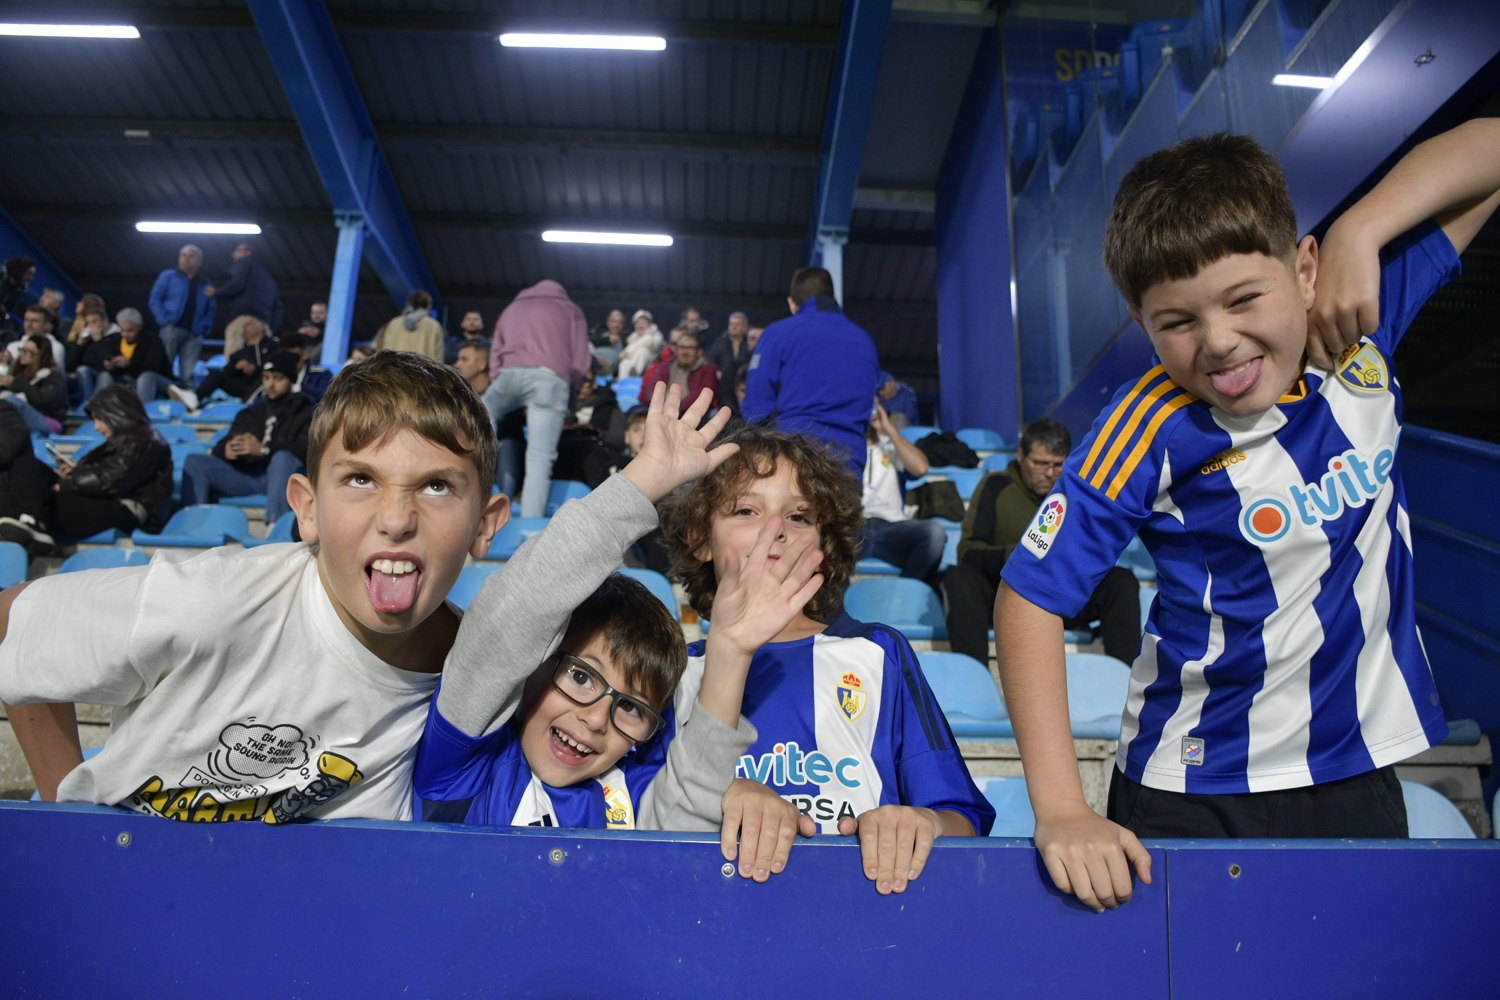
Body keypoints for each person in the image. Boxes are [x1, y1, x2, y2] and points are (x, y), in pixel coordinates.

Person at [997, 124, 1500, 913]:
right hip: (1191, 791)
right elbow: (1029, 597)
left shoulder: (1355, 325)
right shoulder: (1144, 430)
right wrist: (1062, 810)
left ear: (1304, 269)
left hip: (1355, 772)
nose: (1219, 341)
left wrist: (1361, 229)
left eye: (1243, 299)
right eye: (1177, 322)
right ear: (1142, 325)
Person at [0, 351, 510, 818]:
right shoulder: (212, 604)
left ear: (484, 526)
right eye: (360, 479)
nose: (397, 519)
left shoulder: (476, 675)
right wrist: (65, 815)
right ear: (307, 509)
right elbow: (15, 619)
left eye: (437, 486)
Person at [654, 427, 994, 893]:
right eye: (747, 510)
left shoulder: (879, 654)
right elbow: (638, 810)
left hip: (866, 914)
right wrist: (725, 792)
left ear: (823, 544)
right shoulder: (672, 671)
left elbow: (963, 819)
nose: (775, 531)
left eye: (798, 516)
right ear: (700, 540)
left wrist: (921, 824)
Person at [944, 418, 1139, 665]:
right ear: (1021, 455)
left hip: (1062, 594)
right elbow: (968, 551)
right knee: (960, 578)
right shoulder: (996, 486)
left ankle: (1124, 679)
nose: (1049, 473)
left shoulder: (1078, 493)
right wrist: (1022, 557)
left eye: (1058, 465)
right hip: (1005, 596)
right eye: (1040, 464)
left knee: (1121, 582)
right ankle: (974, 679)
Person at [0, 386, 172, 553]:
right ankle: (29, 522)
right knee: (25, 465)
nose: (96, 427)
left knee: (38, 497)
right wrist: (76, 472)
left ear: (116, 414)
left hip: (124, 507)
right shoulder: (128, 440)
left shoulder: (145, 441)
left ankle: (31, 522)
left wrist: (68, 484)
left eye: (99, 419)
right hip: (99, 498)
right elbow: (106, 474)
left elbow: (112, 480)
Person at [743, 267, 881, 473]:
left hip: (794, 462)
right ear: (834, 298)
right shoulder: (865, 341)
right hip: (848, 468)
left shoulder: (778, 334)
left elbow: (756, 407)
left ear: (792, 303)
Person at [484, 279, 592, 519]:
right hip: (550, 379)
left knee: (484, 411)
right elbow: (580, 361)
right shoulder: (570, 309)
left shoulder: (512, 308)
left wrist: (496, 378)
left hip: (509, 374)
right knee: (540, 458)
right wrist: (570, 401)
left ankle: (479, 464)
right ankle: (530, 524)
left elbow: (495, 351)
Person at [180, 353, 313, 523]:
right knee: (195, 461)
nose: (270, 384)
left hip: (284, 477)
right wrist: (227, 450)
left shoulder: (305, 412)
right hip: (248, 476)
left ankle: (275, 525)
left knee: (282, 458)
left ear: (291, 381)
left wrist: (264, 451)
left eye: (278, 378)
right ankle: (191, 522)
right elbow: (222, 445)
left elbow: (305, 450)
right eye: (266, 378)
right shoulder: (251, 412)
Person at [860, 402, 945, 584]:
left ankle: (904, 596)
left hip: (893, 528)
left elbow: (921, 468)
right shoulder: (843, 445)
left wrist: (889, 429)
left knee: (934, 534)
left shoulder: (891, 445)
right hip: (854, 527)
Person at [147, 244, 216, 387]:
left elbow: (211, 309)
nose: (186, 259)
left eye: (191, 256)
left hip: (194, 334)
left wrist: (204, 329)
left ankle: (185, 405)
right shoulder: (168, 276)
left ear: (199, 261)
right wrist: (164, 321)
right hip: (171, 328)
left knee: (187, 375)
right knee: (163, 367)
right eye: (183, 255)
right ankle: (159, 403)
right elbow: (155, 299)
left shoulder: (205, 283)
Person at [184, 316, 278, 407]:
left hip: (264, 386)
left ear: (261, 328)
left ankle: (248, 405)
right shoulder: (241, 353)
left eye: (249, 323)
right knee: (216, 374)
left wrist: (255, 369)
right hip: (245, 387)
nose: (244, 326)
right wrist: (235, 367)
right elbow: (226, 372)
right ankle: (193, 399)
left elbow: (276, 364)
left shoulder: (272, 345)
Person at [213, 243, 282, 359]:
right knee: (260, 361)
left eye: (238, 251)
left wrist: (216, 292)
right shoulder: (270, 279)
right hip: (264, 325)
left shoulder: (244, 263)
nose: (233, 255)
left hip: (242, 319)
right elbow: (279, 307)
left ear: (248, 252)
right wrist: (269, 327)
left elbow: (236, 286)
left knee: (234, 359)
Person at [93, 308, 174, 402]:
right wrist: (110, 364)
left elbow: (154, 366)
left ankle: (141, 411)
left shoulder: (152, 340)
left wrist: (130, 364)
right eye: (122, 330)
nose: (125, 334)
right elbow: (104, 355)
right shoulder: (116, 340)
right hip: (130, 380)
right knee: (105, 375)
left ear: (140, 327)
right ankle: (96, 407)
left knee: (146, 376)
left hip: (156, 380)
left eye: (130, 331)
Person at [0, 336, 68, 435]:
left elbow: (42, 399)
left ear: (42, 355)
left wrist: (15, 383)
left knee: (12, 401)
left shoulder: (53, 376)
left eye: (30, 352)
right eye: (23, 350)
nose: (24, 355)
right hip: (24, 418)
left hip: (48, 420)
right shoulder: (19, 373)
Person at [643, 330, 718, 418]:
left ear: (699, 352)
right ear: (676, 350)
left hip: (691, 413)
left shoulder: (707, 369)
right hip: (661, 410)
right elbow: (648, 390)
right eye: (682, 347)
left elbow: (703, 393)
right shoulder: (665, 366)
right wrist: (659, 404)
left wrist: (676, 407)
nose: (685, 352)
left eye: (690, 348)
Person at [374, 290, 445, 362]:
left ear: (408, 304)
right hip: (422, 371)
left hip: (396, 370)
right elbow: (438, 357)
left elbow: (385, 352)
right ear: (428, 306)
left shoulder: (394, 323)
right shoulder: (434, 326)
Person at [67, 306, 115, 403]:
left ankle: (93, 404)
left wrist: (99, 341)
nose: (91, 326)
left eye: (94, 322)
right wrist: (79, 344)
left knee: (104, 375)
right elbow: (69, 366)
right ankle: (85, 404)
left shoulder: (115, 337)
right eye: (88, 323)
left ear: (105, 322)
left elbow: (107, 362)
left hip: (107, 375)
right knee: (82, 369)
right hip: (87, 376)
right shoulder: (87, 341)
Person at [708, 311, 752, 408]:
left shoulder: (750, 343)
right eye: (731, 324)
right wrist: (716, 371)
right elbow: (710, 360)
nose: (733, 326)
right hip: (724, 384)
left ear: (745, 327)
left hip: (745, 383)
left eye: (737, 324)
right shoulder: (720, 342)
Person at [277, 332, 332, 405]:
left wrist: (302, 388)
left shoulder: (321, 374)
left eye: (293, 356)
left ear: (305, 355)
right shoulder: (274, 374)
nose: (288, 361)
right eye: (283, 357)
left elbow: (328, 400)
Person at [9, 305, 66, 373]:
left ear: (46, 325)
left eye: (34, 321)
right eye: (26, 320)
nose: (29, 324)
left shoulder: (56, 347)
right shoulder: (13, 345)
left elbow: (56, 375)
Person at [616, 309, 663, 379]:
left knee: (642, 350)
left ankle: (635, 374)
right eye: (638, 323)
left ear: (649, 325)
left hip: (650, 363)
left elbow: (653, 345)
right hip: (633, 361)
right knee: (624, 363)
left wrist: (634, 347)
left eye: (643, 323)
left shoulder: (656, 335)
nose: (641, 325)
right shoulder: (631, 338)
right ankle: (622, 383)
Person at [0, 256, 37, 328]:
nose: (31, 278)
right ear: (20, 270)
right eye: (29, 273)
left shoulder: (19, 289)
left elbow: (9, 310)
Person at [590, 308, 627, 374]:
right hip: (593, 356)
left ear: (623, 326)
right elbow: (589, 341)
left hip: (608, 363)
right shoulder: (599, 333)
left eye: (620, 323)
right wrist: (608, 340)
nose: (616, 325)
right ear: (608, 323)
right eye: (614, 322)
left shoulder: (625, 339)